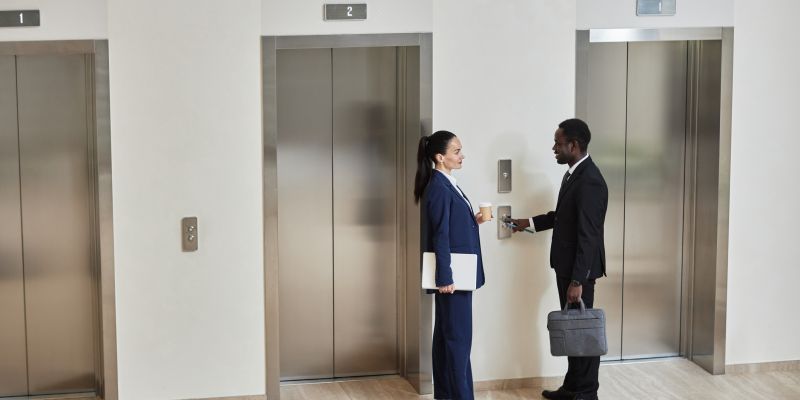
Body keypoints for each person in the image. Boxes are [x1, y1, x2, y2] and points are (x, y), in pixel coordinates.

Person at [509, 118, 608, 400]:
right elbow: (562, 217)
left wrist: (578, 279)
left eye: (558, 143)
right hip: (567, 268)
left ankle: (587, 393)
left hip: (580, 272)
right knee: (572, 331)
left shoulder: (589, 180)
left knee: (585, 334)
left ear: (573, 145)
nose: (554, 148)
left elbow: (588, 236)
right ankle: (572, 388)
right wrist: (526, 222)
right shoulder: (573, 174)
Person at [414, 130, 487, 400]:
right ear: (439, 157)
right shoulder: (439, 187)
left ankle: (445, 395)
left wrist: (473, 220)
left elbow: (450, 226)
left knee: (447, 338)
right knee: (458, 341)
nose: (461, 155)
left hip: (457, 274)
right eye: (456, 151)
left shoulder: (446, 183)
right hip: (454, 277)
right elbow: (440, 235)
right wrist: (445, 277)